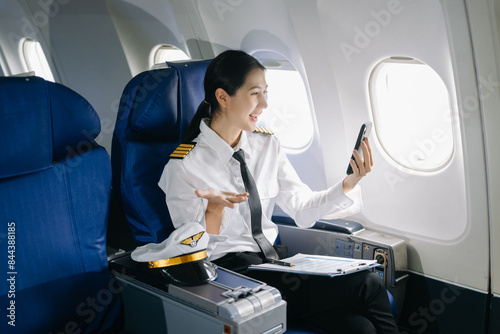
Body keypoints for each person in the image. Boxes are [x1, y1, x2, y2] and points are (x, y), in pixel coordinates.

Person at [159, 50, 399, 333]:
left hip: (275, 268)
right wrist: (213, 211)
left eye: (266, 93)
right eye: (255, 93)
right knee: (367, 283)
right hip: (230, 279)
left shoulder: (266, 145)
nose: (265, 103)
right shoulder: (184, 166)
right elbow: (190, 254)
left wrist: (348, 184)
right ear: (223, 97)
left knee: (360, 329)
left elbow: (300, 207)